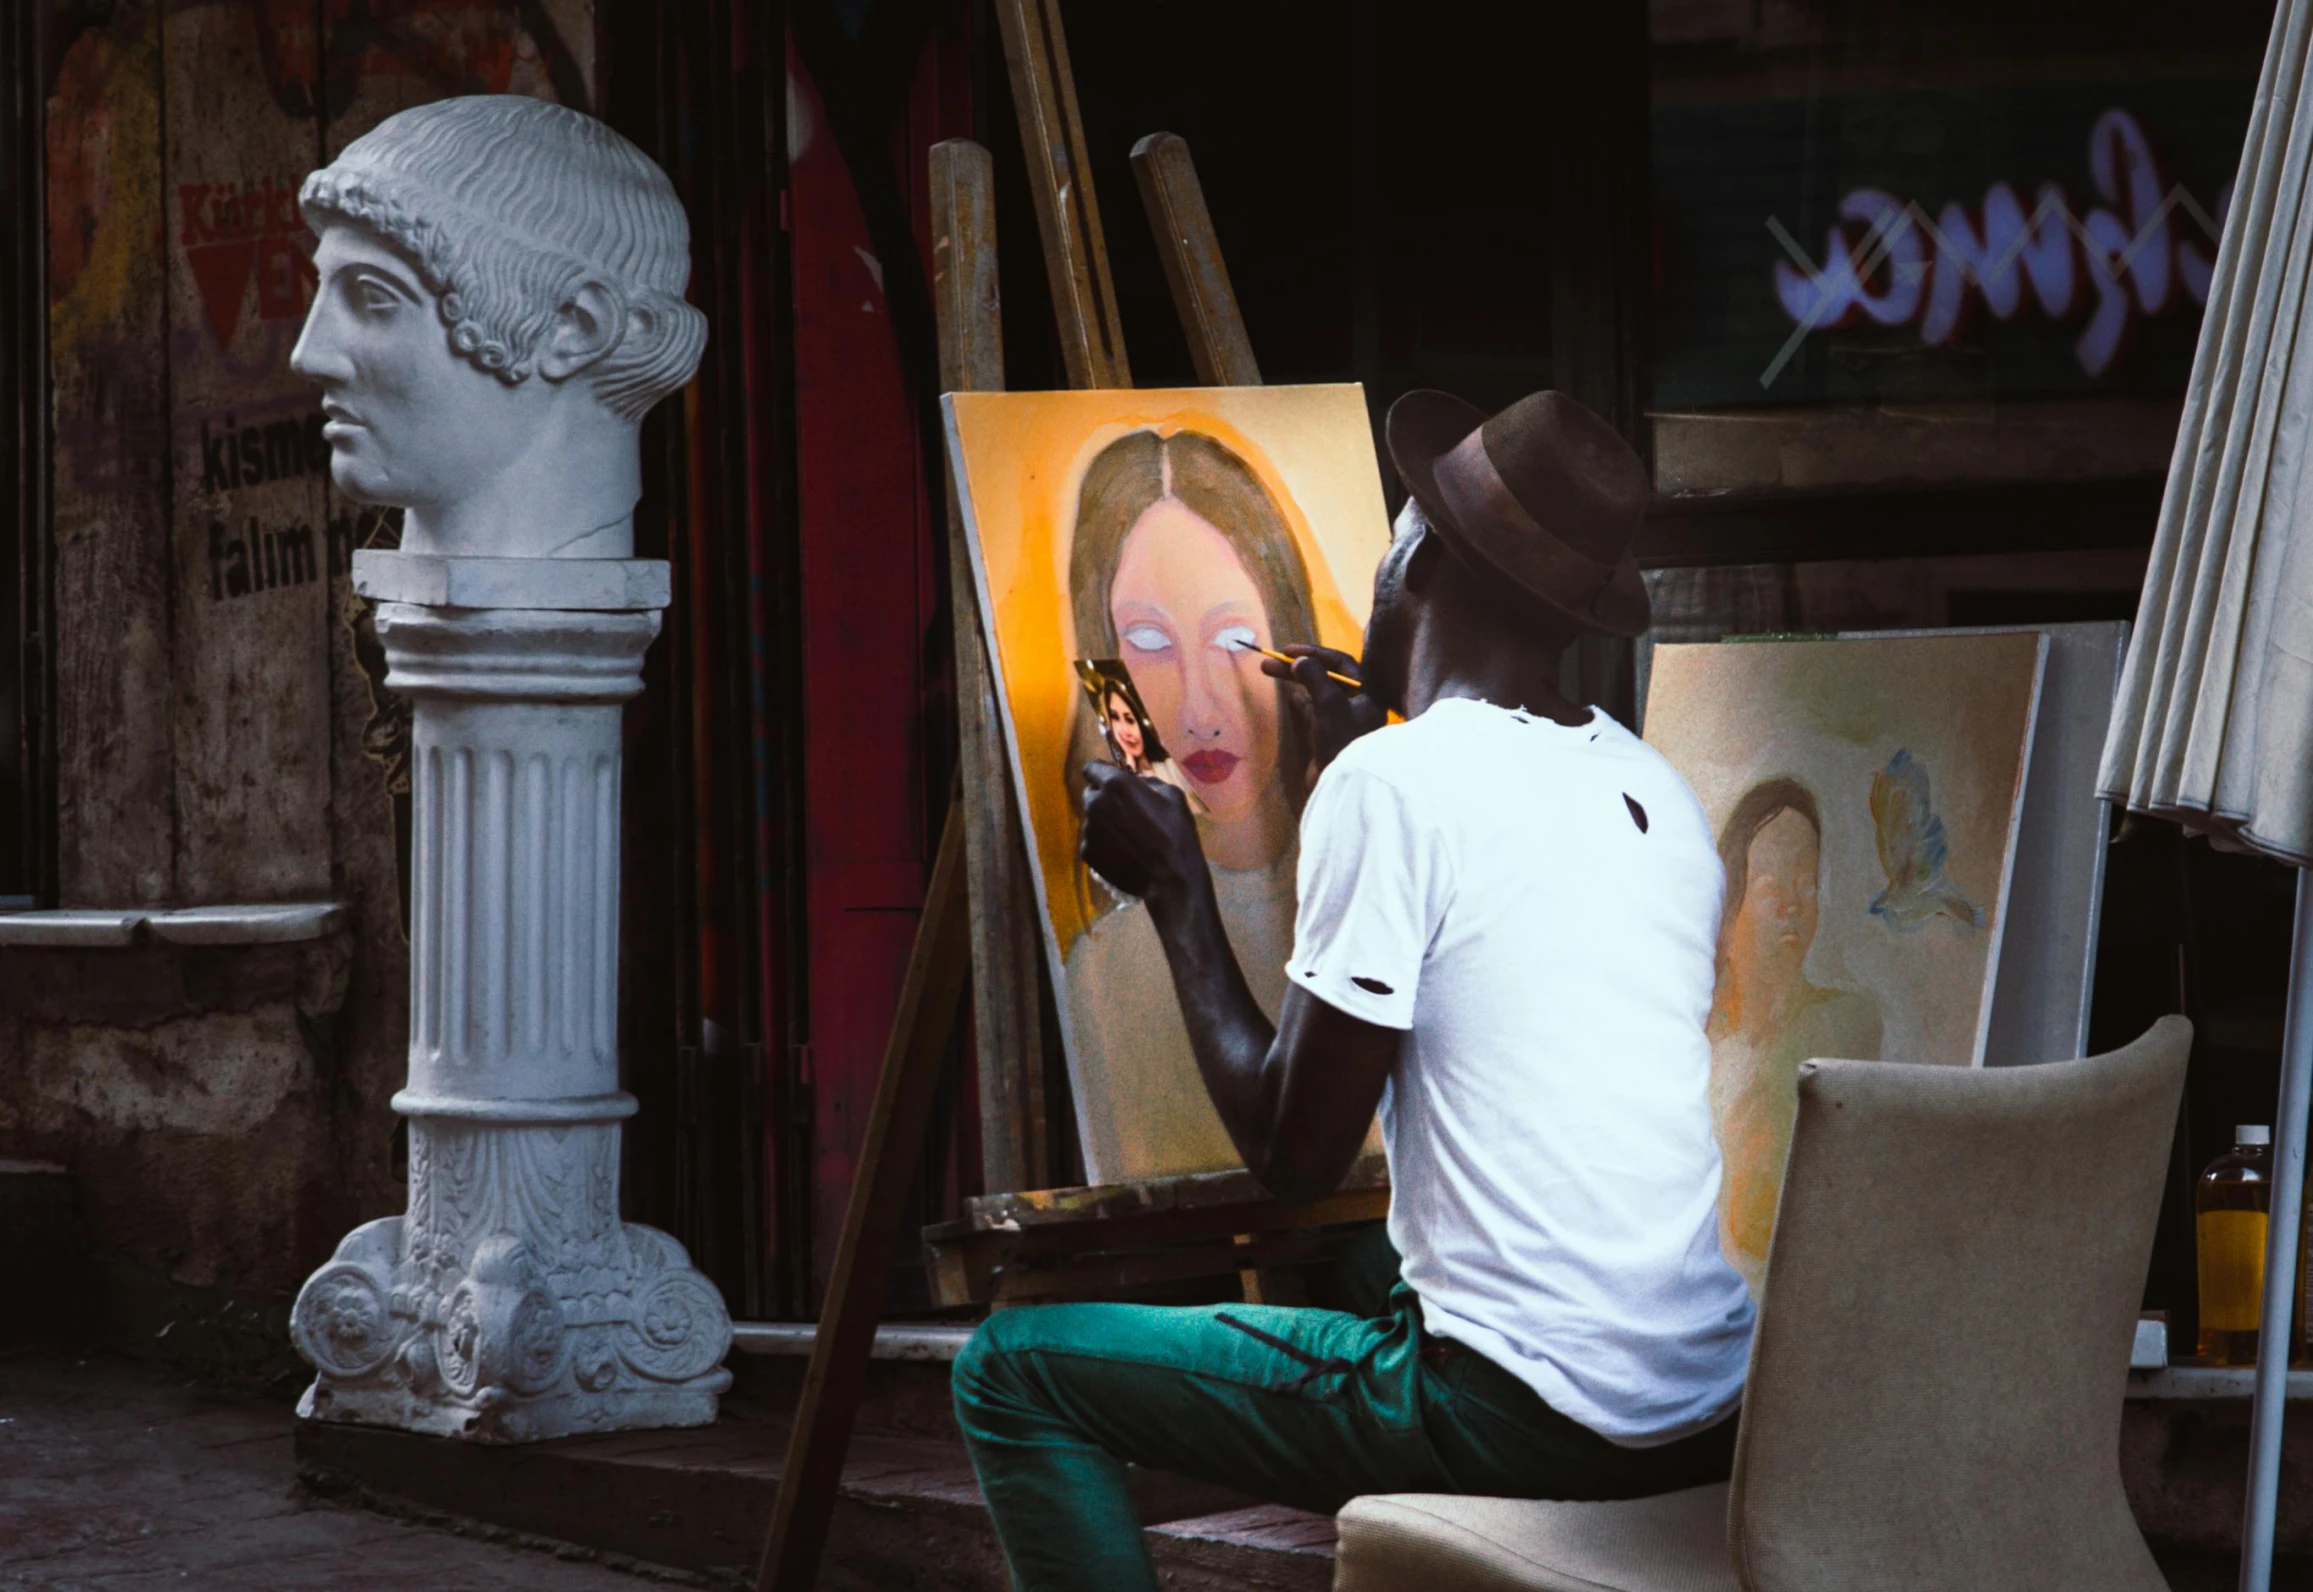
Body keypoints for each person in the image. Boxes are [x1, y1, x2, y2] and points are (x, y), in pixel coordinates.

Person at [955, 390, 1757, 1592]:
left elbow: (1295, 1158)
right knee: (1353, 1262)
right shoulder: (1658, 793)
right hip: (1702, 1405)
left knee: (1012, 1367)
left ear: (1413, 554)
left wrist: (1179, 888)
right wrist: (1365, 751)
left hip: (1527, 1419)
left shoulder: (1395, 785)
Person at [1060, 428, 1325, 1179]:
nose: (1201, 709)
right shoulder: (1109, 971)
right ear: (1100, 662)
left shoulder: (1363, 892)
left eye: (1236, 637)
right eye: (1146, 639)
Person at [1706, 779, 1883, 1293]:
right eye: (1769, 887)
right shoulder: (1696, 1038)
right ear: (1732, 899)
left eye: (1806, 884)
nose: (1792, 904)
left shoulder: (1848, 1025)